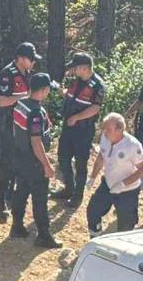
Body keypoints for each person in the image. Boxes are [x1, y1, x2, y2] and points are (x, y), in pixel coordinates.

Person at [10, 73, 63, 249]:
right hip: (33, 160)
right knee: (40, 198)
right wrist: (46, 165)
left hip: (19, 157)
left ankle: (16, 226)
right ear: (44, 89)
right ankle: (43, 235)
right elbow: (35, 141)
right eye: (48, 90)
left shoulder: (21, 104)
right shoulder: (35, 112)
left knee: (22, 191)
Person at [0, 42, 39, 222]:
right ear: (21, 58)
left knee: (19, 161)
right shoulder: (7, 74)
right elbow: (2, 101)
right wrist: (25, 96)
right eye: (31, 59)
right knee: (8, 163)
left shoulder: (26, 74)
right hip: (8, 123)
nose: (33, 63)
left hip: (22, 123)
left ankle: (10, 197)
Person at [52, 52, 106, 208]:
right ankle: (68, 188)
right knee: (63, 157)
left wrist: (77, 117)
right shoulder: (76, 81)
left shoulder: (98, 85)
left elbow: (95, 108)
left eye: (75, 67)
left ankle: (77, 196)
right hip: (67, 128)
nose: (73, 70)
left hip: (83, 130)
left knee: (81, 163)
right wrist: (58, 89)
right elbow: (70, 96)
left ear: (84, 68)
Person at [86, 113, 143, 237]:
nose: (105, 132)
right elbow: (101, 156)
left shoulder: (133, 146)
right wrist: (92, 178)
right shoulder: (105, 138)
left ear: (120, 129)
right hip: (108, 185)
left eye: (109, 130)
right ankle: (95, 237)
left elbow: (141, 169)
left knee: (126, 226)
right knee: (93, 211)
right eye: (104, 128)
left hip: (128, 191)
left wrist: (123, 184)